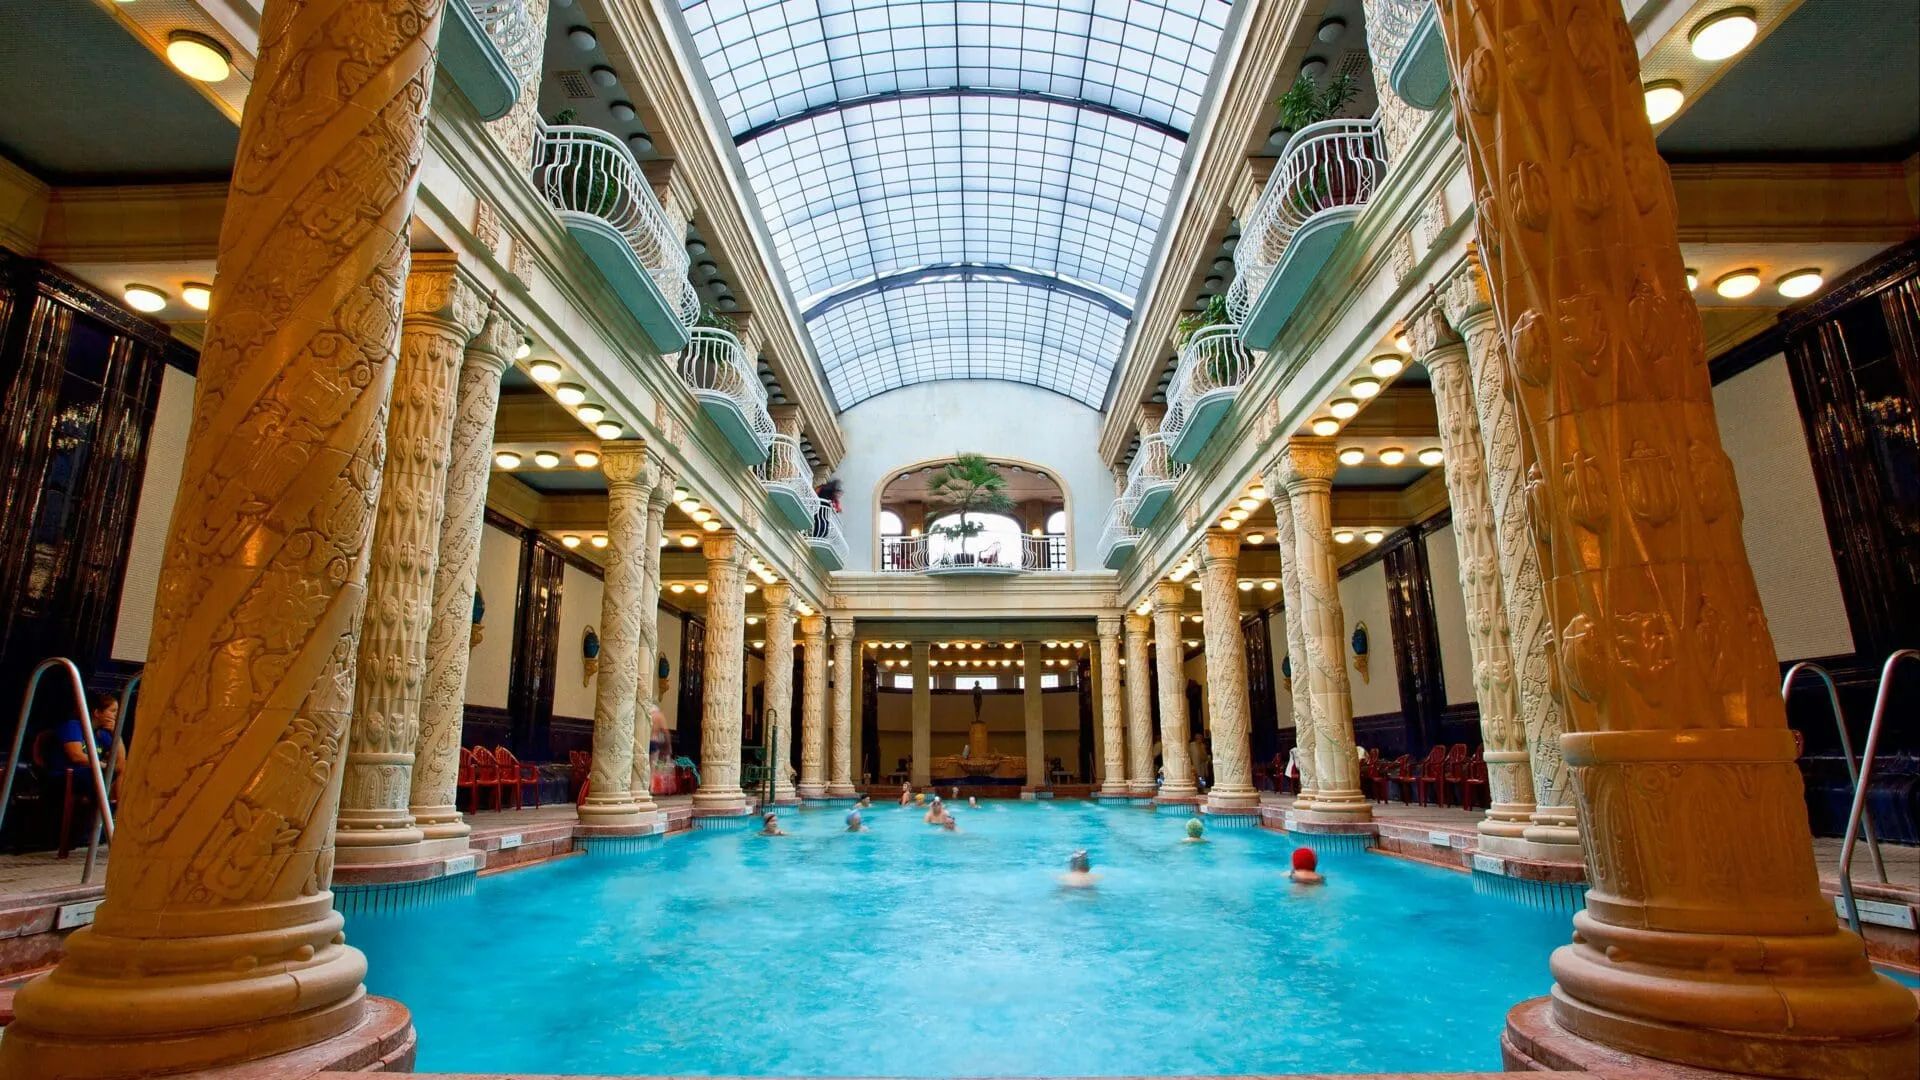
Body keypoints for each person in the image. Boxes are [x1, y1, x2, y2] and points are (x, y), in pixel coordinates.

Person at [52, 691, 119, 779]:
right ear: (97, 713)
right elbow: (76, 756)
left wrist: (116, 734)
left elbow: (119, 760)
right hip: (69, 774)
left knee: (123, 769)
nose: (116, 715)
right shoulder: (73, 726)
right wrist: (104, 766)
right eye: (113, 711)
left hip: (92, 772)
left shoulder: (101, 733)